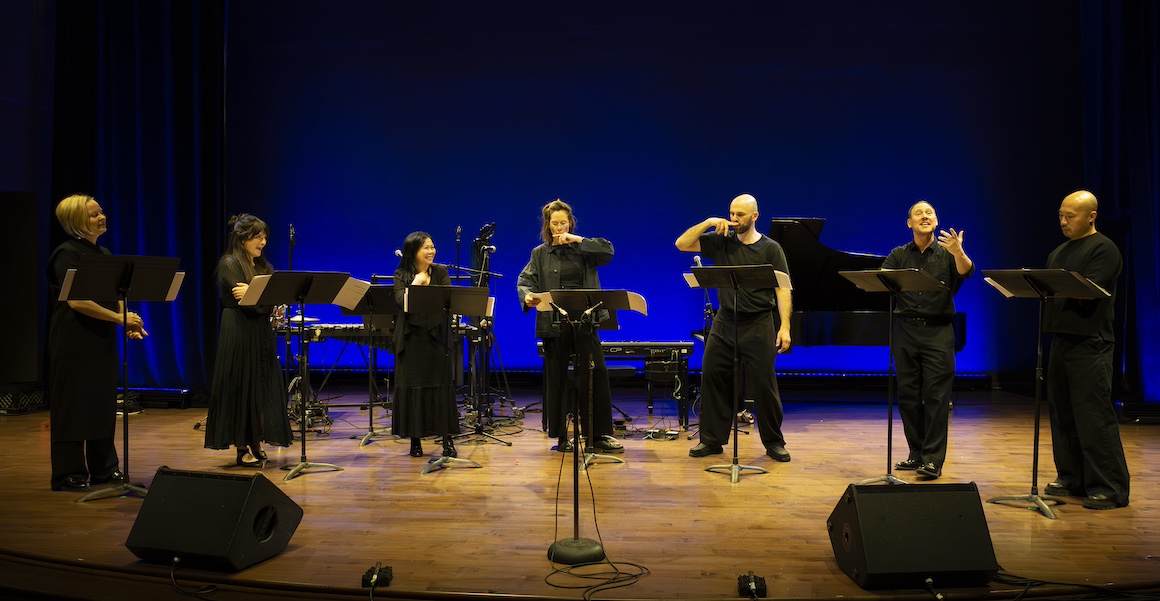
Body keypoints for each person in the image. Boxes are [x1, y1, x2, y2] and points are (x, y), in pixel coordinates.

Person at [675, 193, 792, 461]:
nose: (734, 219)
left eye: (740, 215)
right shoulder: (721, 241)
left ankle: (774, 442)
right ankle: (711, 441)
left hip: (759, 321)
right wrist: (708, 222)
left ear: (755, 216)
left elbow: (782, 289)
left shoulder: (771, 248)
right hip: (726, 319)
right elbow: (682, 244)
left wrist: (784, 326)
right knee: (713, 376)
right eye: (731, 214)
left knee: (764, 383)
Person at [46, 194, 147, 492]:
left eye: (101, 212)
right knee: (73, 404)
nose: (101, 217)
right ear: (76, 220)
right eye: (93, 215)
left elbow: (115, 294)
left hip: (100, 338)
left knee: (101, 403)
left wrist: (127, 320)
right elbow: (77, 300)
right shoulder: (66, 253)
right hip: (73, 339)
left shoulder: (103, 252)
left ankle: (105, 469)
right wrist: (118, 319)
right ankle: (69, 473)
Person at [1043, 189, 1130, 510]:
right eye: (1061, 216)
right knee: (1062, 414)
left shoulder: (1103, 248)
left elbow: (1091, 290)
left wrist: (1058, 284)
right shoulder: (1058, 252)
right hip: (1061, 340)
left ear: (1092, 216)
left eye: (1071, 216)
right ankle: (1071, 477)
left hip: (1091, 342)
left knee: (1093, 416)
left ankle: (1109, 487)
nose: (1063, 222)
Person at [517, 199, 624, 454]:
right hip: (555, 321)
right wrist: (527, 296)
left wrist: (577, 239)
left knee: (595, 372)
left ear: (570, 223)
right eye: (555, 224)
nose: (559, 228)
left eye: (563, 223)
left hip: (586, 320)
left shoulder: (584, 249)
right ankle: (562, 436)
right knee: (557, 378)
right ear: (548, 225)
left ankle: (598, 435)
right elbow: (525, 280)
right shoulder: (540, 253)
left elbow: (607, 251)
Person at [882, 201, 974, 480]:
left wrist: (958, 251)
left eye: (929, 213)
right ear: (909, 223)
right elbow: (883, 279)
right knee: (908, 396)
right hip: (905, 330)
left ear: (936, 220)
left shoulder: (948, 253)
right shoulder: (898, 254)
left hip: (938, 331)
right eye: (918, 213)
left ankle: (933, 460)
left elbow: (966, 270)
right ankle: (916, 452)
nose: (925, 216)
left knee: (936, 397)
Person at [204, 214, 293, 467]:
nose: (263, 242)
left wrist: (258, 295)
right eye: (258, 237)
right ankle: (242, 446)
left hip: (261, 333)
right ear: (243, 238)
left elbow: (268, 305)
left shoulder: (263, 268)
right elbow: (251, 306)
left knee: (260, 388)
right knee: (241, 387)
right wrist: (263, 299)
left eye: (265, 237)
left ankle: (256, 440)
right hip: (239, 331)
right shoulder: (229, 263)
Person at [392, 231, 460, 458]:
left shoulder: (440, 272)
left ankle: (447, 440)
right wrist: (415, 284)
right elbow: (402, 303)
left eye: (432, 246)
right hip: (411, 340)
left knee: (441, 387)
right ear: (413, 251)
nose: (431, 251)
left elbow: (449, 301)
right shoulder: (401, 274)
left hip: (436, 337)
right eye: (426, 248)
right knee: (413, 388)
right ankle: (415, 440)